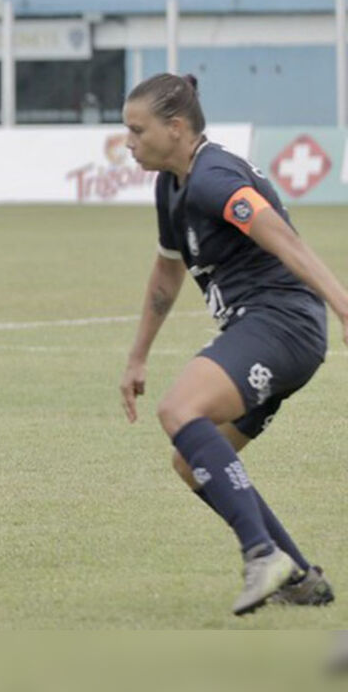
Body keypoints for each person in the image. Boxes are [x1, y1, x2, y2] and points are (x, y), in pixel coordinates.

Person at [118, 72, 346, 615]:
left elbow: (285, 239)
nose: (128, 143)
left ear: (175, 128)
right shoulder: (170, 184)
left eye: (136, 130)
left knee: (180, 409)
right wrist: (137, 355)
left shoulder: (214, 178)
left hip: (282, 325)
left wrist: (342, 302)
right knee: (190, 460)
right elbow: (167, 274)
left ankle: (260, 553)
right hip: (266, 330)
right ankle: (297, 576)